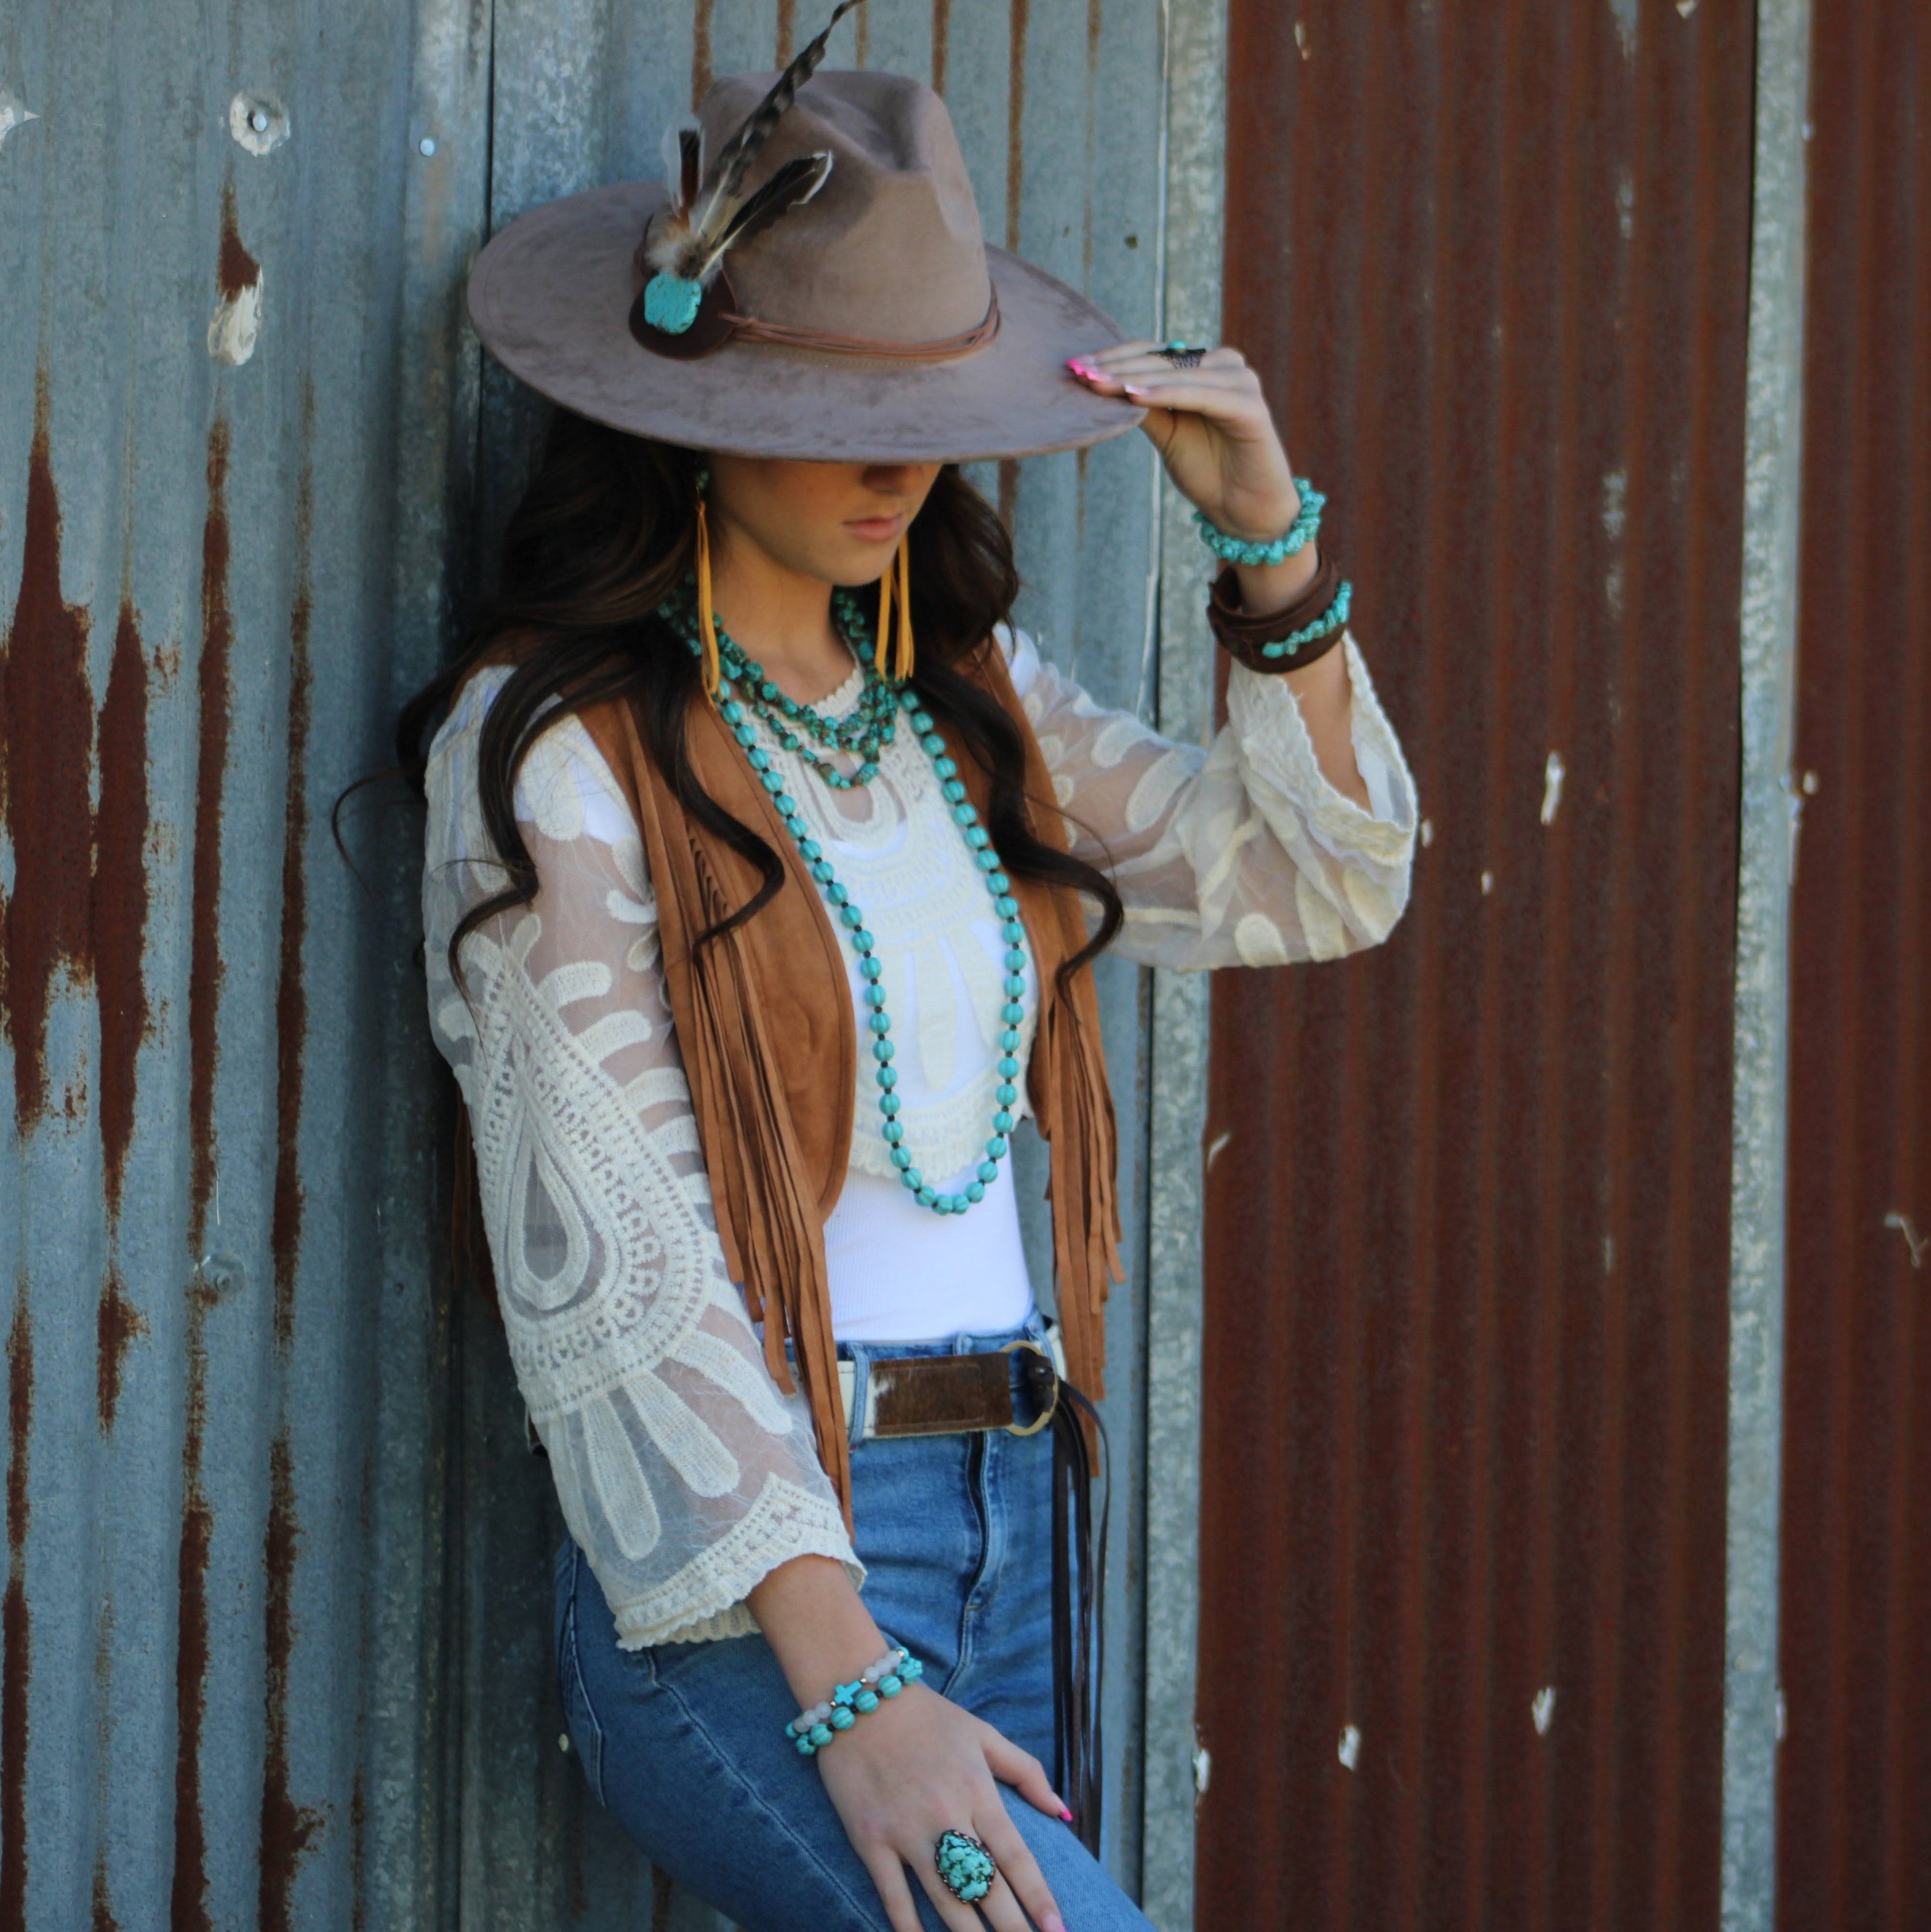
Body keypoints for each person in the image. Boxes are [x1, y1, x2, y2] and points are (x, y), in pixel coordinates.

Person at [404, 25, 1414, 1932]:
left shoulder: (970, 706)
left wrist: (1265, 542)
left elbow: (1317, 877)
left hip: (1019, 1516)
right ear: (685, 407)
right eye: (820, 401)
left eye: (926, 398)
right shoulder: (553, 749)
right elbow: (617, 1257)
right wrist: (847, 1669)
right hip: (761, 1569)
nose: (894, 458)